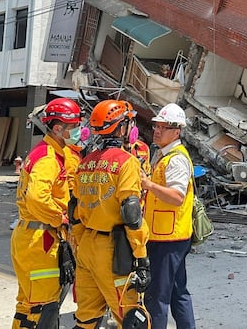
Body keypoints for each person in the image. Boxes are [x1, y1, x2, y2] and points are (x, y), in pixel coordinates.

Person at [72, 100, 151, 329]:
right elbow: (131, 211)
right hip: (114, 252)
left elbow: (74, 209)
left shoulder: (85, 163)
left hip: (86, 245)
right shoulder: (126, 162)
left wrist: (79, 242)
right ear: (121, 127)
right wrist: (141, 256)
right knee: (131, 318)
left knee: (86, 318)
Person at [10, 97, 82, 329]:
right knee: (42, 307)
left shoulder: (46, 151)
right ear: (58, 128)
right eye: (73, 127)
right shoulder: (49, 158)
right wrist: (59, 217)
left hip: (30, 237)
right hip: (40, 240)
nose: (78, 131)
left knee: (28, 304)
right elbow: (37, 197)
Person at [140, 102, 196, 329]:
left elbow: (176, 196)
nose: (157, 130)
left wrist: (148, 185)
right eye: (156, 126)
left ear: (177, 131)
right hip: (169, 235)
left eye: (163, 127)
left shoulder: (176, 159)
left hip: (168, 238)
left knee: (157, 296)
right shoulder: (163, 155)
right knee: (176, 291)